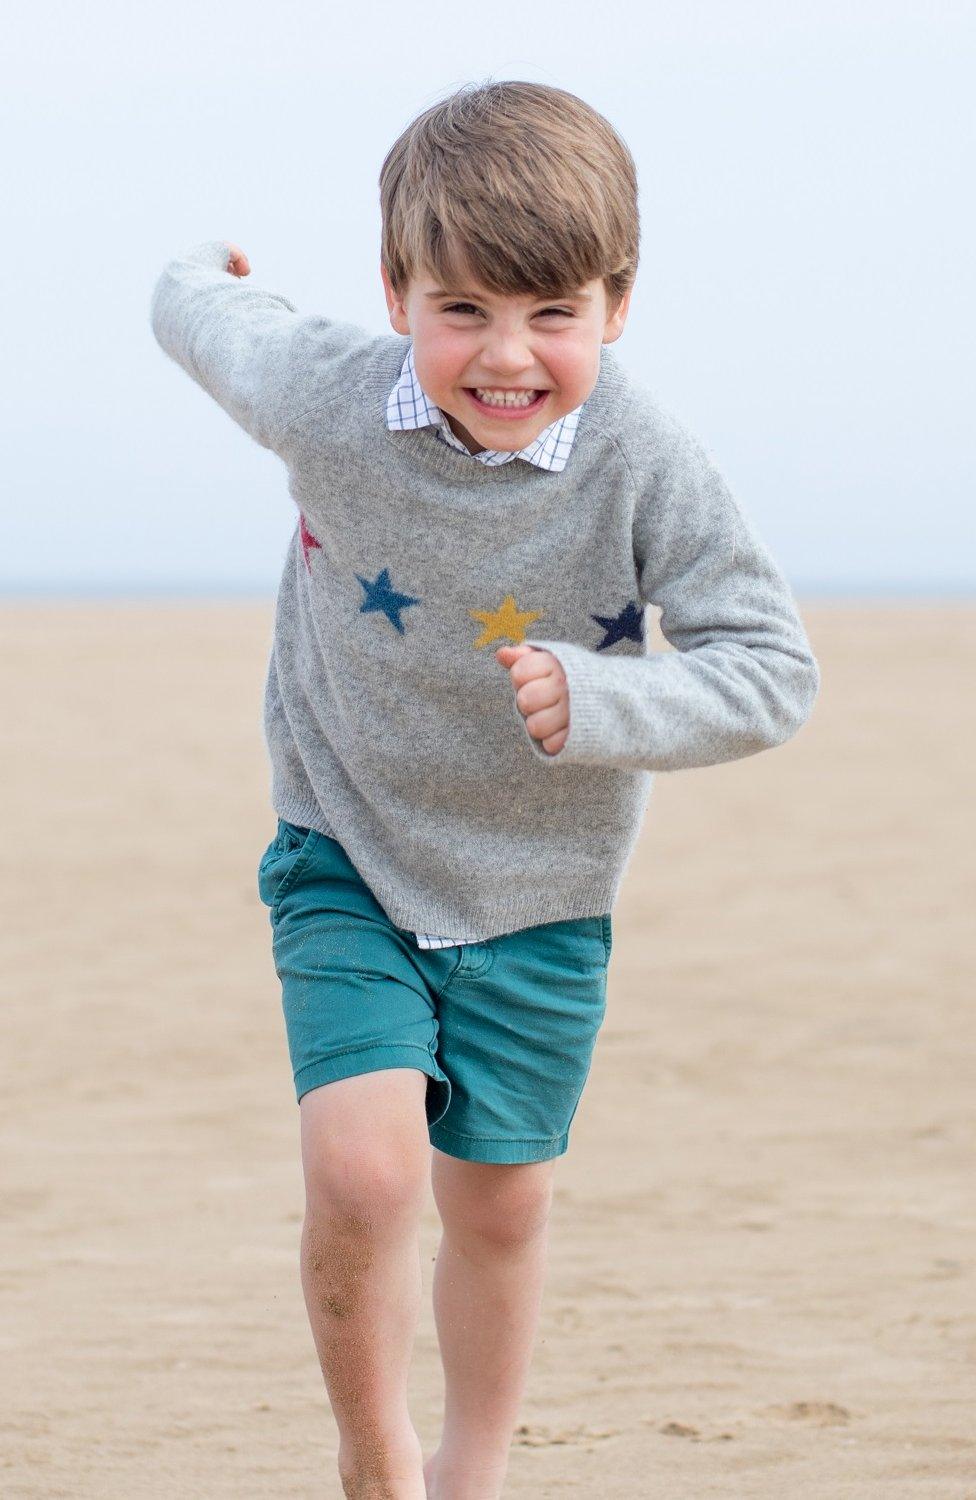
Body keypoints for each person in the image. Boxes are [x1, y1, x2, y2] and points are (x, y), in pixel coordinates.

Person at [150, 78, 820, 1500]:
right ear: (397, 290)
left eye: (552, 315)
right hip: (349, 847)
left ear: (616, 305)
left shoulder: (647, 465)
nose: (506, 356)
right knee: (369, 1173)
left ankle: (473, 1469)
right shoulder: (327, 395)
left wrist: (608, 699)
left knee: (500, 1207)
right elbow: (202, 320)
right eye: (462, 308)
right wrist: (201, 266)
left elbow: (773, 671)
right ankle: (375, 1454)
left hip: (542, 892)